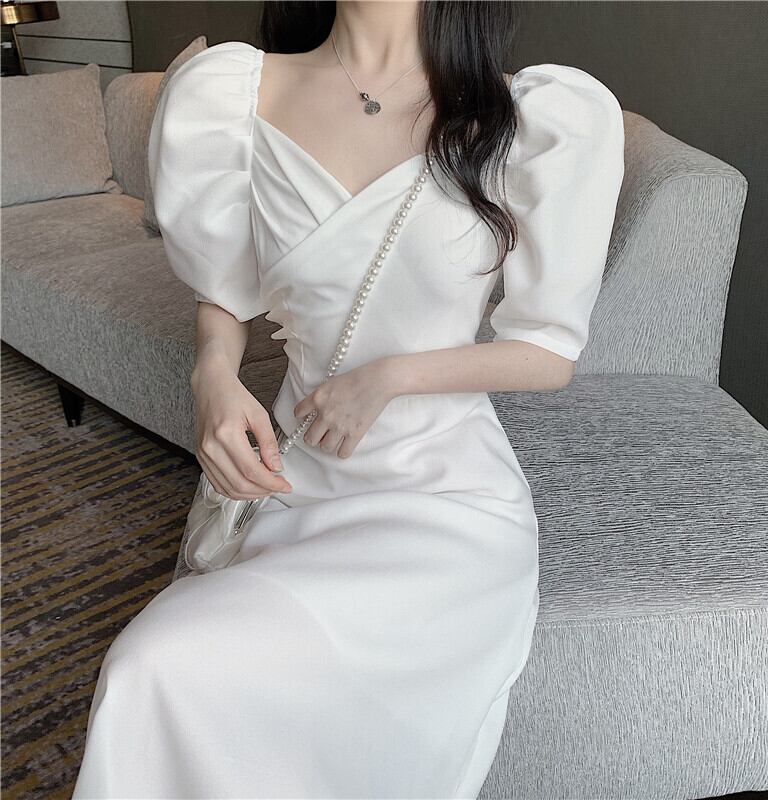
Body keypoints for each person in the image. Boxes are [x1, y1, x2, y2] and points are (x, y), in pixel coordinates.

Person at [72, 1, 625, 797]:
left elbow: (548, 355)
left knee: (180, 669)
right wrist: (213, 378)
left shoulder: (529, 118)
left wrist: (390, 377)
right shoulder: (230, 96)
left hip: (445, 501)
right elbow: (225, 296)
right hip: (299, 481)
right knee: (150, 665)